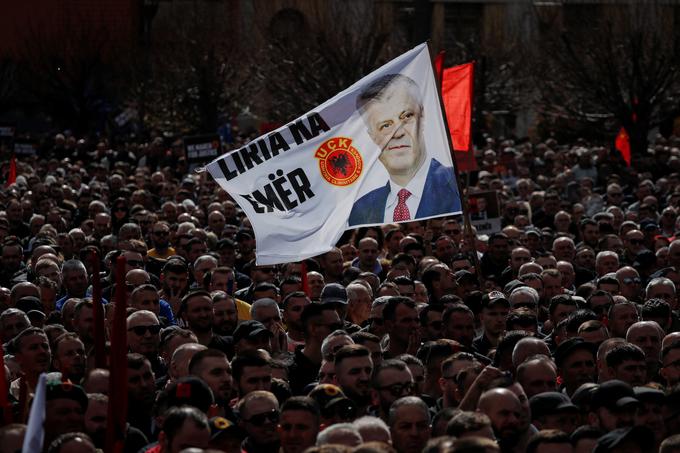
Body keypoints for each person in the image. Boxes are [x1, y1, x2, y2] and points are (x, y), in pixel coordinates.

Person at [348, 74, 460, 226]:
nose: (398, 133)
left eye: (406, 117)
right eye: (385, 125)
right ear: (372, 137)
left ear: (423, 116)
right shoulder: (360, 211)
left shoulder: (456, 186)